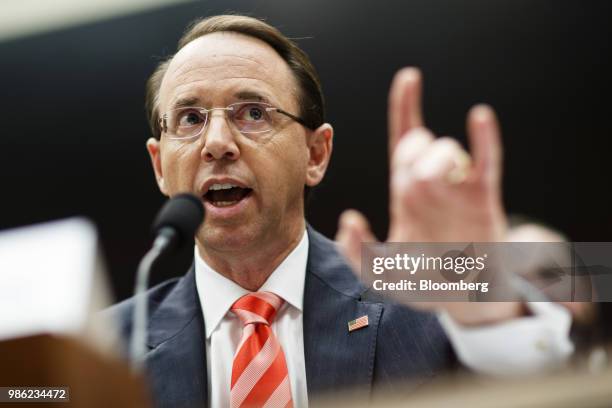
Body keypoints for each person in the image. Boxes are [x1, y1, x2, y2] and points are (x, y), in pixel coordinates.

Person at [106, 15, 573, 407]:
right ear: (159, 166)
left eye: (252, 112)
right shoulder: (100, 350)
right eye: (190, 119)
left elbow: (568, 334)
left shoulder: (417, 292)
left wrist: (483, 293)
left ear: (315, 154)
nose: (217, 144)